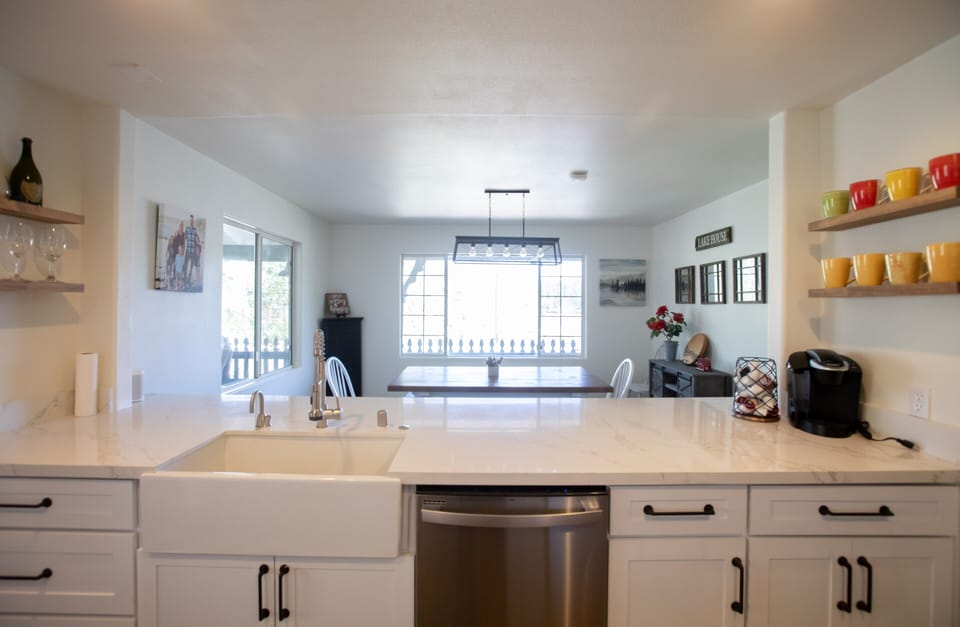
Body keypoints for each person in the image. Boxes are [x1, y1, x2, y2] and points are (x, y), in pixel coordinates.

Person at [183, 214, 201, 288]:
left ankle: (188, 281)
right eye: (190, 220)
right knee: (185, 266)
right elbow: (185, 239)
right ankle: (184, 281)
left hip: (193, 251)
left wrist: (198, 249)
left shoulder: (195, 230)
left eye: (193, 220)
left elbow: (196, 240)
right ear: (189, 221)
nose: (191, 221)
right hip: (187, 251)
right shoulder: (186, 229)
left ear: (194, 221)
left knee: (191, 267)